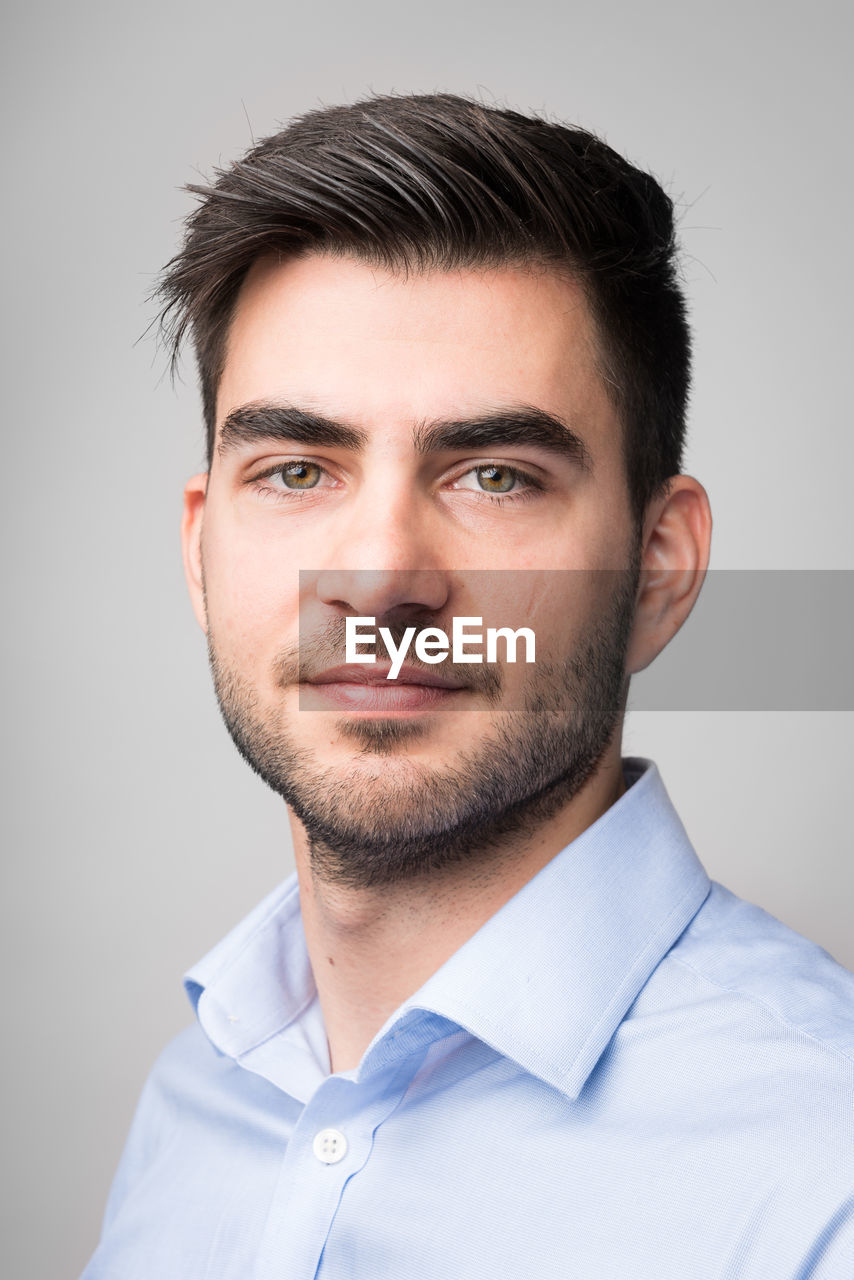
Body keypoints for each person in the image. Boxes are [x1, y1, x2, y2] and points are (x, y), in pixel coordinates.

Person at [81, 93, 854, 1279]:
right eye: (296, 469)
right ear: (201, 551)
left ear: (657, 568)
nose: (382, 578)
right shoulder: (199, 1095)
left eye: (493, 475)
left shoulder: (822, 1172)